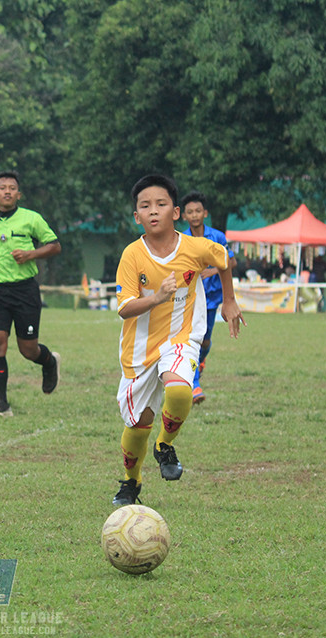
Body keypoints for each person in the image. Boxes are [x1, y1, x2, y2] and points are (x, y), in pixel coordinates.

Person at [112, 174, 244, 506]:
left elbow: (223, 258)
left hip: (182, 337)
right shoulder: (132, 255)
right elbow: (125, 308)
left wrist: (229, 301)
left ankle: (165, 445)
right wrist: (157, 298)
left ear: (175, 212)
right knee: (138, 424)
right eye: (145, 206)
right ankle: (131, 482)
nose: (153, 210)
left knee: (180, 389)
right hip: (139, 350)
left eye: (161, 204)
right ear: (137, 216)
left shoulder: (195, 247)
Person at [0, 170, 61, 417]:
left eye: (12, 188)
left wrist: (31, 254)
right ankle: (2, 404)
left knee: (28, 350)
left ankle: (49, 362)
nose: (7, 191)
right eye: (3, 188)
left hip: (25, 290)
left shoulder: (31, 218)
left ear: (19, 194)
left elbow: (54, 246)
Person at [180, 191, 236, 405]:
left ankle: (200, 363)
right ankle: (194, 384)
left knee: (204, 340)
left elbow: (231, 262)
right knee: (192, 339)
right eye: (190, 212)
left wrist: (212, 271)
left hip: (211, 297)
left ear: (205, 213)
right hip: (190, 298)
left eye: (198, 211)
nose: (194, 215)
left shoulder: (218, 237)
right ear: (183, 215)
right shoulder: (182, 239)